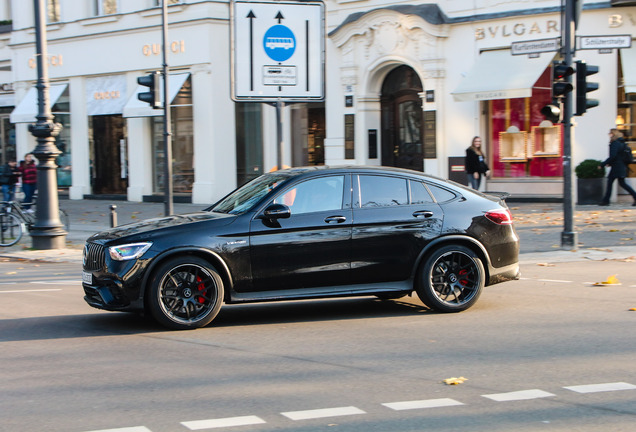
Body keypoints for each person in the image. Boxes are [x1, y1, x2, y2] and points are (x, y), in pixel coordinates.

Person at [599, 128, 636, 206]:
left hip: (617, 167)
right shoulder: (622, 143)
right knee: (620, 183)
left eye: (610, 133)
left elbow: (613, 156)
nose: (609, 135)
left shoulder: (615, 143)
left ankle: (606, 201)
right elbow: (618, 156)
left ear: (613, 134)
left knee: (612, 183)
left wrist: (602, 164)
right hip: (621, 166)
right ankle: (606, 201)